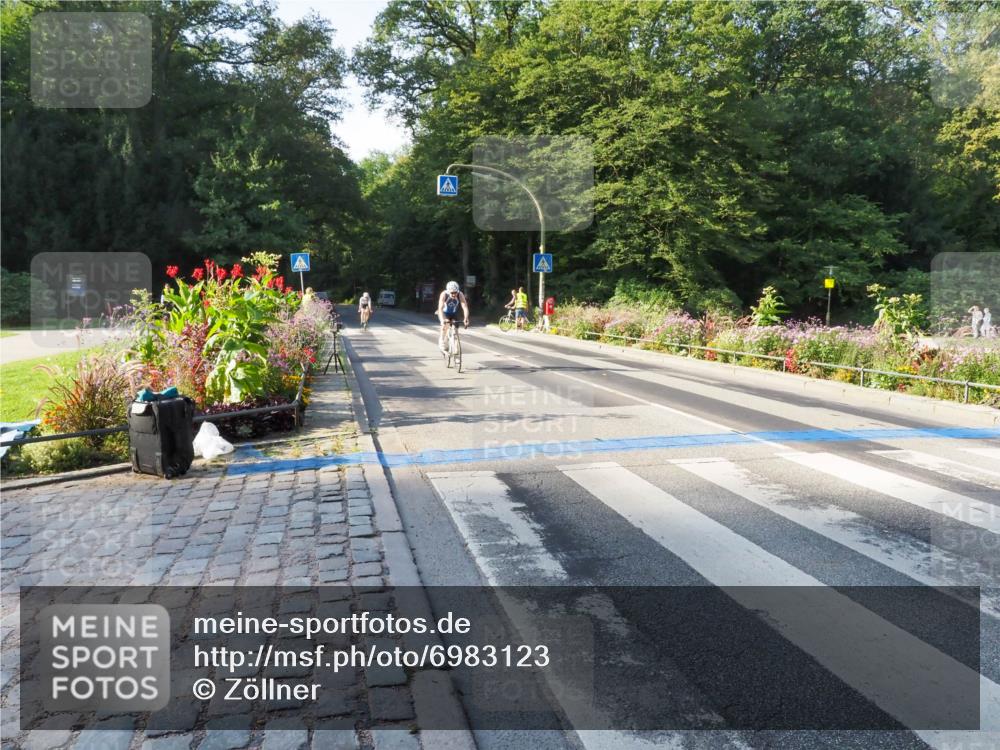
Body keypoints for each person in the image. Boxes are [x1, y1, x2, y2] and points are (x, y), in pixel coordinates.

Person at [437, 280, 469, 353]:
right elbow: (440, 309)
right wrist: (442, 320)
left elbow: (465, 307)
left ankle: (456, 347)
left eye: (455, 292)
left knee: (456, 330)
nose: (454, 294)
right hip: (444, 313)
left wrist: (466, 318)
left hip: (454, 313)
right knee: (445, 325)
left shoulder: (460, 294)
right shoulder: (444, 294)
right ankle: (442, 340)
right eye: (452, 293)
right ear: (448, 292)